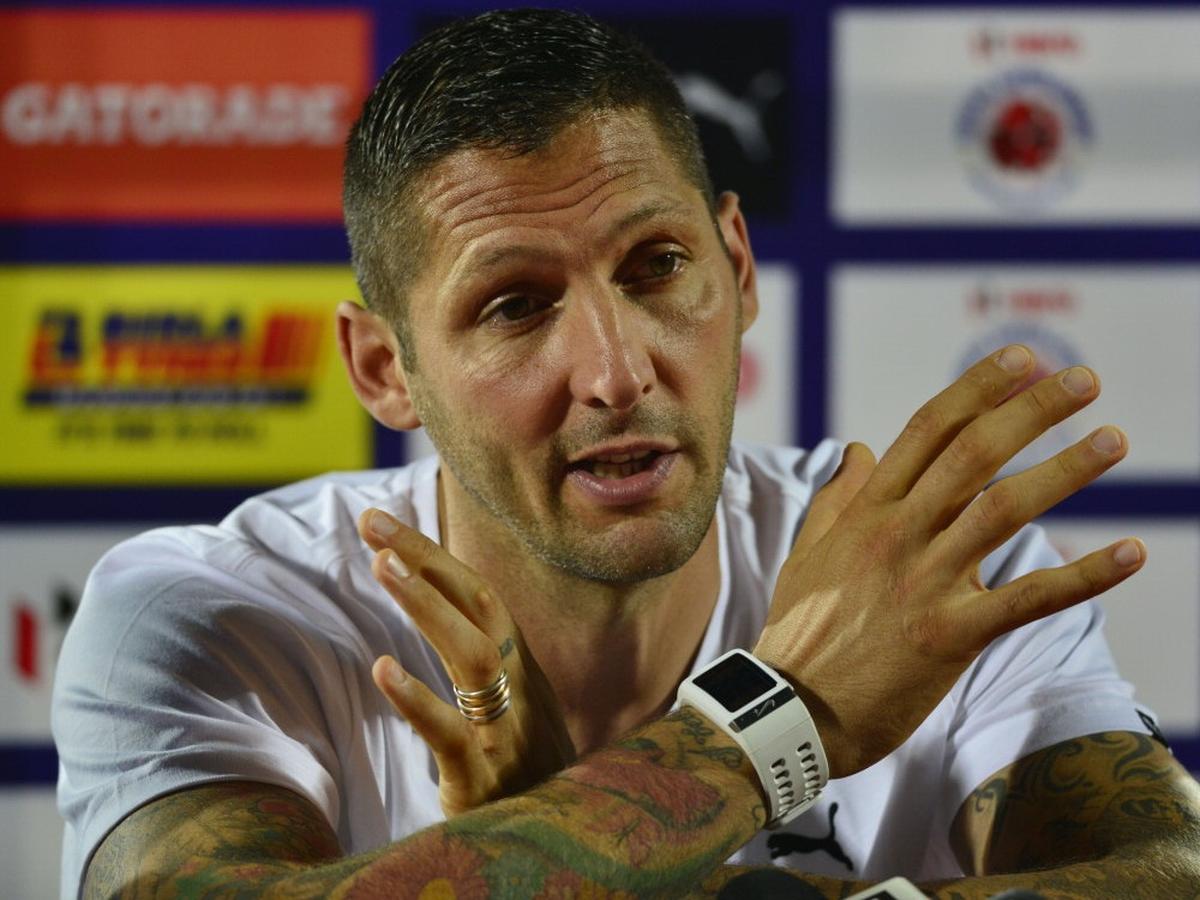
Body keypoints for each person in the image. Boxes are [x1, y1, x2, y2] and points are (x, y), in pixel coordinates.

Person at [54, 8, 1200, 899]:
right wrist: (778, 719)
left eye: (658, 267)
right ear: (384, 369)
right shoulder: (217, 616)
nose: (615, 371)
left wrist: (579, 863)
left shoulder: (923, 576)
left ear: (736, 268)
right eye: (514, 305)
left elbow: (1167, 876)